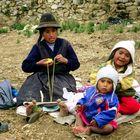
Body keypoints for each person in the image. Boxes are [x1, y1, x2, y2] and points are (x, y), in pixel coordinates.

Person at [16, 13, 80, 105]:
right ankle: (32, 106)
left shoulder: (65, 44)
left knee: (64, 96)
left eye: (54, 31)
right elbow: (25, 66)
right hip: (41, 78)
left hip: (62, 77)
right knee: (30, 95)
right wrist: (39, 63)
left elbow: (76, 64)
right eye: (47, 32)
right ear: (42, 33)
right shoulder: (38, 47)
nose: (51, 35)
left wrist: (66, 61)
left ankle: (58, 105)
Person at [90, 40, 140, 115]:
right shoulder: (104, 66)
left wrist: (115, 85)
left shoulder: (128, 72)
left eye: (127, 55)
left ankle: (115, 109)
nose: (123, 57)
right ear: (114, 53)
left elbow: (127, 83)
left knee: (134, 106)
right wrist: (97, 84)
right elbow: (94, 76)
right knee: (92, 100)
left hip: (121, 93)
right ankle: (105, 107)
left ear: (130, 59)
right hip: (103, 92)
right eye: (120, 53)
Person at [72, 66, 119, 136]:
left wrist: (98, 120)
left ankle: (91, 129)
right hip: (87, 115)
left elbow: (111, 113)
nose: (105, 85)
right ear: (97, 81)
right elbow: (84, 98)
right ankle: (81, 127)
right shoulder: (91, 90)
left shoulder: (112, 98)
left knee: (108, 128)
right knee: (78, 114)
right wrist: (80, 104)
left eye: (109, 82)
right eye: (102, 81)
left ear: (113, 85)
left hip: (101, 121)